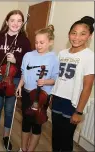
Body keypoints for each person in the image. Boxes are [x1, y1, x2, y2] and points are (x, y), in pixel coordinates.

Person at [0, 10, 31, 151]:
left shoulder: (25, 41)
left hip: (14, 77)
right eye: (12, 20)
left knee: (9, 109)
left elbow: (27, 63)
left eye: (19, 20)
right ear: (7, 22)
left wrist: (16, 60)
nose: (15, 23)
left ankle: (6, 136)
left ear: (22, 23)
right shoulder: (0, 37)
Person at [50, 16, 94, 152]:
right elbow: (57, 77)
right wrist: (52, 96)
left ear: (89, 36)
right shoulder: (62, 53)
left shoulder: (89, 56)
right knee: (55, 136)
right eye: (74, 33)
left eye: (83, 34)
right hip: (57, 99)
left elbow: (87, 87)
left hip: (73, 104)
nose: (77, 37)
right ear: (69, 34)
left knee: (66, 138)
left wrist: (79, 111)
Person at [16, 25, 59, 152]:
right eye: (36, 42)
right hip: (27, 93)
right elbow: (24, 73)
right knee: (25, 122)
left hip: (42, 96)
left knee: (36, 124)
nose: (38, 45)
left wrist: (45, 81)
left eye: (42, 42)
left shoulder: (54, 59)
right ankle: (23, 148)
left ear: (50, 42)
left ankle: (31, 150)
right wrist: (19, 85)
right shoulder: (28, 55)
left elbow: (55, 79)